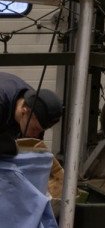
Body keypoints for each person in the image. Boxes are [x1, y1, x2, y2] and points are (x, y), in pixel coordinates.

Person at [0, 72, 63, 228]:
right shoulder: (1, 100)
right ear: (24, 111)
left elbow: (33, 146)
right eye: (35, 129)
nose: (35, 135)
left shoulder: (36, 102)